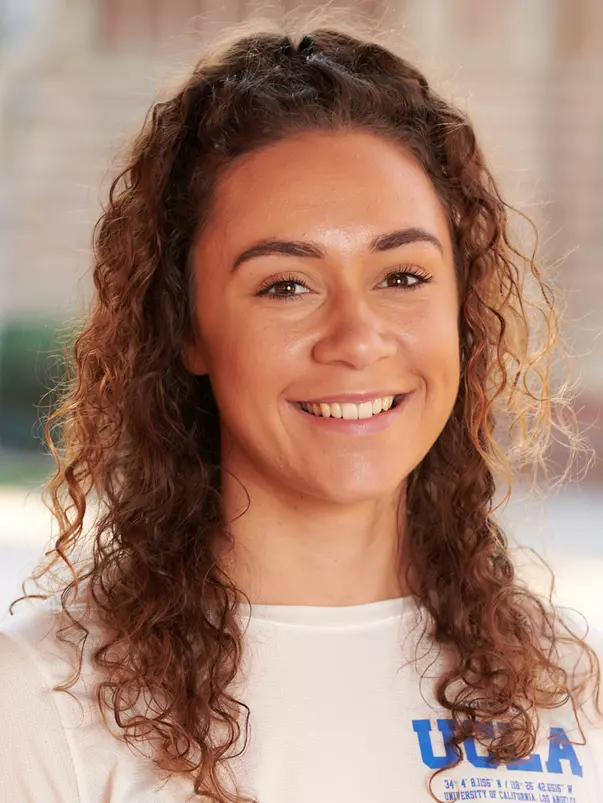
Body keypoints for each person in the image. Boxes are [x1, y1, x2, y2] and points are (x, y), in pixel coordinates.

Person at [0, 14, 601, 803]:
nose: (356, 339)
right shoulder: (41, 703)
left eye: (402, 276)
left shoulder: (568, 686)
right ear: (186, 327)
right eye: (285, 285)